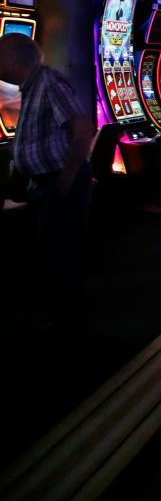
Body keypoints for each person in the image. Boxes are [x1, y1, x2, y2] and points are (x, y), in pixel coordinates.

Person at [0, 34, 97, 330]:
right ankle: (63, 324)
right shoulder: (31, 87)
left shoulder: (48, 82)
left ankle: (70, 333)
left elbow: (83, 129)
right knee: (52, 257)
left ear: (15, 61)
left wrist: (65, 181)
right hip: (45, 183)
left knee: (60, 258)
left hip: (59, 182)